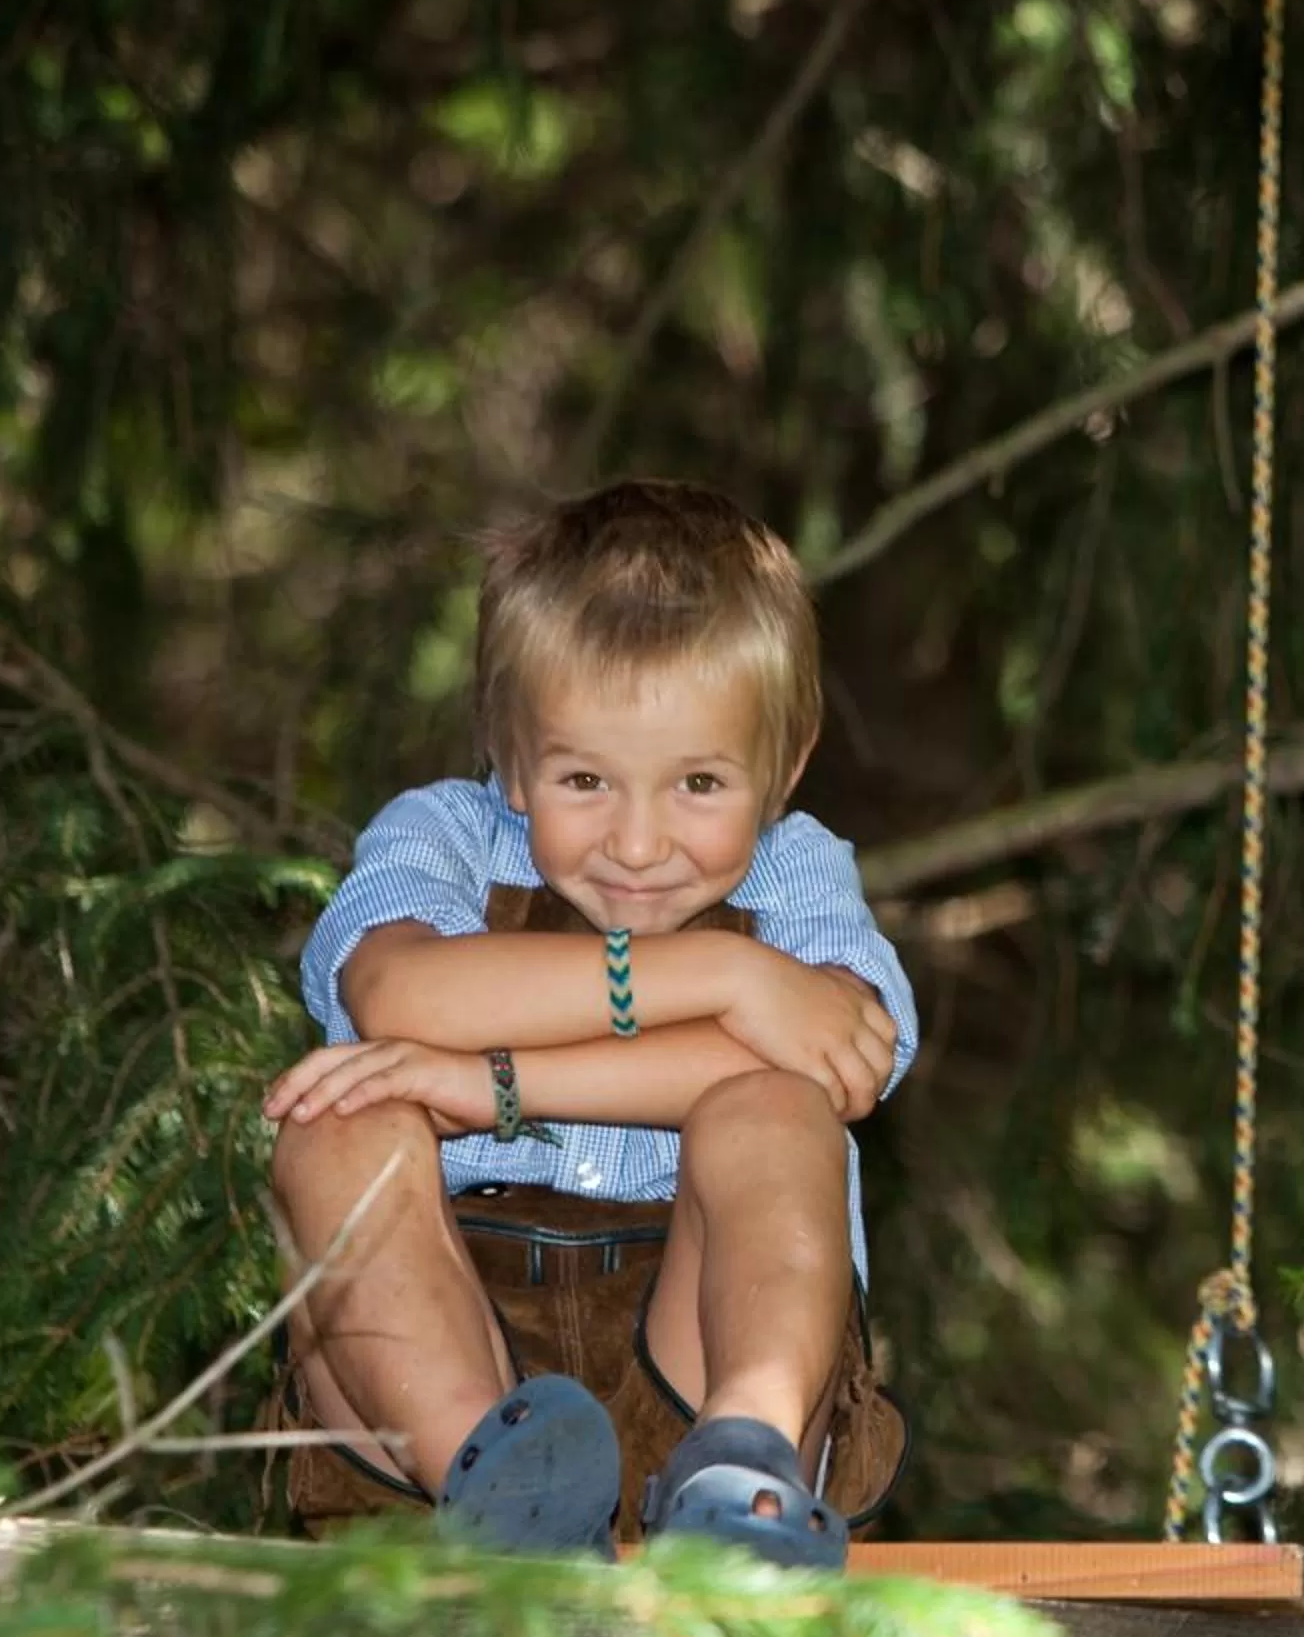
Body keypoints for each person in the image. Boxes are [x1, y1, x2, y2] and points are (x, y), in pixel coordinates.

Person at [259, 477, 917, 1566]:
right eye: (584, 779)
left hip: (698, 1345)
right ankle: (507, 1489)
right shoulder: (446, 838)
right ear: (511, 758)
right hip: (444, 1394)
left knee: (777, 1112)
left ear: (783, 767)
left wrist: (499, 1085)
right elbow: (401, 996)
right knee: (337, 1121)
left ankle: (744, 1465)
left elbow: (843, 1062)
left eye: (699, 781)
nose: (641, 841)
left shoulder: (801, 871)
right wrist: (725, 973)